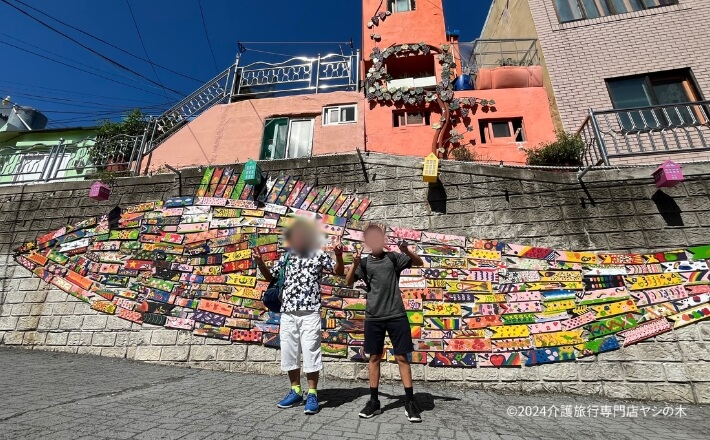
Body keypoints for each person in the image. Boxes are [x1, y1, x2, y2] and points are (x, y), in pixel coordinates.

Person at [254, 218, 344, 414]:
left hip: (310, 312)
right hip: (287, 313)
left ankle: (312, 393)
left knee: (311, 352)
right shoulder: (287, 257)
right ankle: (295, 391)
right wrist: (261, 263)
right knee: (289, 352)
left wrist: (338, 255)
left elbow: (338, 272)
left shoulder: (318, 254)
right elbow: (272, 278)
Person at [345, 224, 424, 422]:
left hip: (397, 315)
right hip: (374, 318)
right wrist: (354, 264)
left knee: (402, 358)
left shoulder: (393, 258)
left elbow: (419, 262)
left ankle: (410, 402)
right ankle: (374, 402)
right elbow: (348, 281)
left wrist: (406, 250)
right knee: (374, 358)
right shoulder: (363, 263)